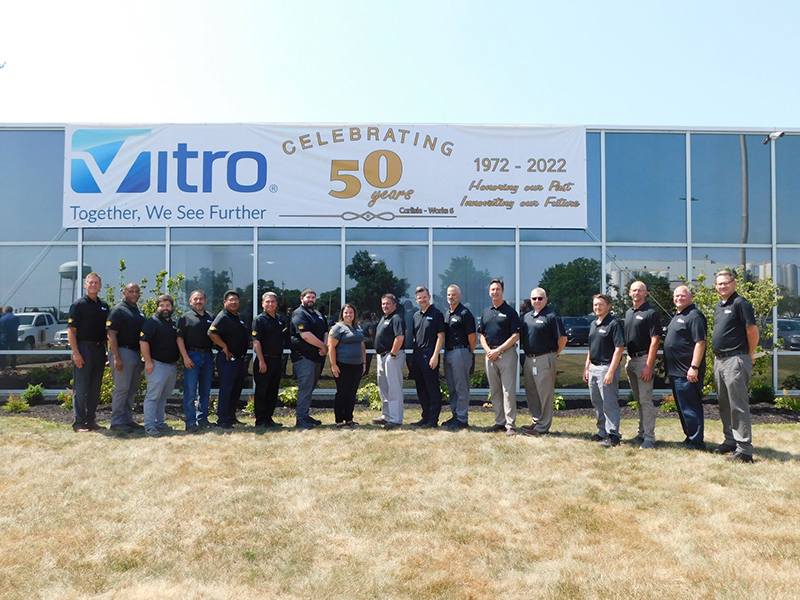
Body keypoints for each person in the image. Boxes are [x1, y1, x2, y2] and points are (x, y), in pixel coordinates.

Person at [712, 270, 759, 462]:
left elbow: (752, 330)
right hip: (720, 360)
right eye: (719, 284)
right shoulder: (719, 306)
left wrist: (749, 353)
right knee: (724, 404)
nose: (722, 286)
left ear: (734, 283)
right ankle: (730, 441)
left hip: (735, 360)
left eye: (726, 283)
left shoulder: (740, 303)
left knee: (738, 405)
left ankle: (744, 450)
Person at [663, 285, 707, 451]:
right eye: (676, 296)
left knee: (691, 408)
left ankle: (697, 442)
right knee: (683, 409)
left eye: (682, 295)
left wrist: (694, 367)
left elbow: (700, 342)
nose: (678, 298)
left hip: (687, 372)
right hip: (675, 371)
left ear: (690, 297)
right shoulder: (679, 315)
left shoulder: (694, 315)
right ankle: (690, 437)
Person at [520, 287, 567, 437]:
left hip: (545, 358)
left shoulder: (552, 316)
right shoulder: (527, 316)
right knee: (532, 391)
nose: (537, 301)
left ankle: (543, 427)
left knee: (545, 393)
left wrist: (554, 355)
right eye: (534, 298)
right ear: (530, 300)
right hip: (529, 358)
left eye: (540, 298)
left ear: (546, 299)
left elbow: (562, 339)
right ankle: (536, 421)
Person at [478, 279, 521, 437]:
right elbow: (481, 334)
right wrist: (489, 350)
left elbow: (516, 335)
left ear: (502, 291)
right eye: (492, 290)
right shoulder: (486, 312)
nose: (495, 292)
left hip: (506, 355)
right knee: (495, 390)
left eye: (497, 289)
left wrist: (499, 350)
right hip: (490, 355)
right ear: (489, 292)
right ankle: (499, 421)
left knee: (508, 391)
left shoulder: (510, 312)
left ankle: (510, 424)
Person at [67, 272, 109, 432]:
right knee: (81, 387)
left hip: (99, 349)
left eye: (96, 283)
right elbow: (71, 330)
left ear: (100, 286)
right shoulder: (78, 305)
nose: (93, 285)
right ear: (85, 284)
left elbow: (107, 332)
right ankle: (78, 423)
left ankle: (91, 421)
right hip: (83, 348)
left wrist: (107, 352)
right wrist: (76, 353)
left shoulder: (104, 306)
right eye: (90, 282)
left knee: (95, 388)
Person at [624, 281, 662, 449]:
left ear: (645, 293)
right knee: (638, 400)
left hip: (643, 360)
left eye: (640, 290)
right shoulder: (628, 313)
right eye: (634, 290)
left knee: (646, 400)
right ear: (629, 293)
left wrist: (648, 365)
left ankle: (649, 438)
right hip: (630, 360)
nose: (636, 292)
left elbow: (655, 341)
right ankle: (641, 433)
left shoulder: (651, 313)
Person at [584, 293, 625, 447]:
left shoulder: (614, 324)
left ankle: (613, 435)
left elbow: (619, 348)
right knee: (597, 402)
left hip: (606, 367)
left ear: (608, 306)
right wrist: (586, 367)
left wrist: (611, 371)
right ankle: (602, 431)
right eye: (595, 304)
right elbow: (591, 348)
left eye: (601, 304)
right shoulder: (594, 324)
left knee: (609, 403)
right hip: (593, 368)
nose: (597, 307)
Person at [208, 290, 250, 430]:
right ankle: (223, 419)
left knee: (235, 389)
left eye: (236, 300)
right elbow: (211, 332)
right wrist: (224, 346)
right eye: (231, 300)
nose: (234, 302)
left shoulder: (237, 317)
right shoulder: (223, 316)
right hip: (227, 360)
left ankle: (231, 417)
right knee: (226, 389)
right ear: (225, 302)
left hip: (239, 360)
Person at [106, 283, 145, 433]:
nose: (134, 294)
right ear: (124, 293)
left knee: (132, 388)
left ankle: (127, 419)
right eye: (131, 291)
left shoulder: (138, 311)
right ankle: (116, 422)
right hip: (123, 352)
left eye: (137, 291)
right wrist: (117, 357)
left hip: (135, 353)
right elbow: (111, 334)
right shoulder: (118, 310)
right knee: (122, 389)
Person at [139, 295, 179, 437]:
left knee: (163, 397)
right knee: (153, 397)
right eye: (161, 305)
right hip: (156, 365)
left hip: (171, 366)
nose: (164, 308)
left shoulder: (173, 323)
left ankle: (159, 423)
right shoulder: (152, 322)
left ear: (172, 307)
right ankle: (149, 426)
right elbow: (143, 342)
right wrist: (149, 362)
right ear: (157, 307)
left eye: (167, 305)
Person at [176, 290, 215, 431]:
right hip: (192, 355)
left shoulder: (211, 317)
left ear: (205, 300)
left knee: (205, 391)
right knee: (190, 391)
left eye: (201, 299)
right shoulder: (185, 318)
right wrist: (185, 357)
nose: (198, 301)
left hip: (208, 356)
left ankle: (203, 420)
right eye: (195, 299)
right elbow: (179, 338)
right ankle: (190, 423)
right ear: (190, 301)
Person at [289, 288, 328, 429]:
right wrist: (323, 346)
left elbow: (325, 331)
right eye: (308, 297)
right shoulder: (299, 314)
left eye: (313, 297)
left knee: (310, 387)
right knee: (305, 387)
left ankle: (305, 415)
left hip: (317, 357)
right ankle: (300, 419)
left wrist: (324, 346)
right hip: (304, 357)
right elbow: (305, 335)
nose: (311, 299)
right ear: (302, 298)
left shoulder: (317, 314)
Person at [408, 286, 445, 428]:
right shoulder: (416, 315)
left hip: (430, 355)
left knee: (432, 388)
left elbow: (440, 336)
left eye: (424, 297)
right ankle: (425, 416)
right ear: (416, 300)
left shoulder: (437, 314)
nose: (422, 300)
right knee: (421, 388)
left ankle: (433, 420)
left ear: (429, 297)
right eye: (419, 298)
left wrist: (435, 356)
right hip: (417, 355)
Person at [252, 291, 289, 428]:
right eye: (267, 301)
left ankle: (269, 418)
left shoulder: (279, 319)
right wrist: (261, 361)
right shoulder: (259, 320)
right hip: (264, 360)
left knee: (273, 391)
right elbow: (256, 342)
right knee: (262, 391)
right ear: (262, 304)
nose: (270, 304)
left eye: (273, 301)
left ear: (276, 304)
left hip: (277, 360)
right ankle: (261, 420)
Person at [442, 284, 476, 430]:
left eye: (454, 294)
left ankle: (462, 419)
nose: (451, 297)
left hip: (461, 352)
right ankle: (456, 415)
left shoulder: (465, 313)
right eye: (449, 295)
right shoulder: (447, 313)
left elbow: (472, 338)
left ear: (460, 296)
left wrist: (469, 353)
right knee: (452, 387)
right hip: (448, 352)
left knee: (461, 387)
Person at [328, 303, 367, 428]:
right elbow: (331, 347)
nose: (348, 315)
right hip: (343, 365)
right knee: (342, 392)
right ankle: (339, 420)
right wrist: (333, 365)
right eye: (346, 312)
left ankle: (349, 419)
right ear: (342, 314)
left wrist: (364, 363)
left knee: (352, 393)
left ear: (354, 314)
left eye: (351, 312)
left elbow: (362, 346)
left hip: (357, 365)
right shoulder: (338, 328)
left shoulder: (358, 327)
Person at [372, 293, 406, 429]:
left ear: (394, 305)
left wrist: (392, 354)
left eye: (388, 303)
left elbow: (400, 337)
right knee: (384, 388)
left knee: (394, 388)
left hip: (392, 356)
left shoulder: (397, 318)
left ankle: (396, 419)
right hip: (382, 356)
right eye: (383, 304)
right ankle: (386, 416)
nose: (385, 306)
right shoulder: (384, 318)